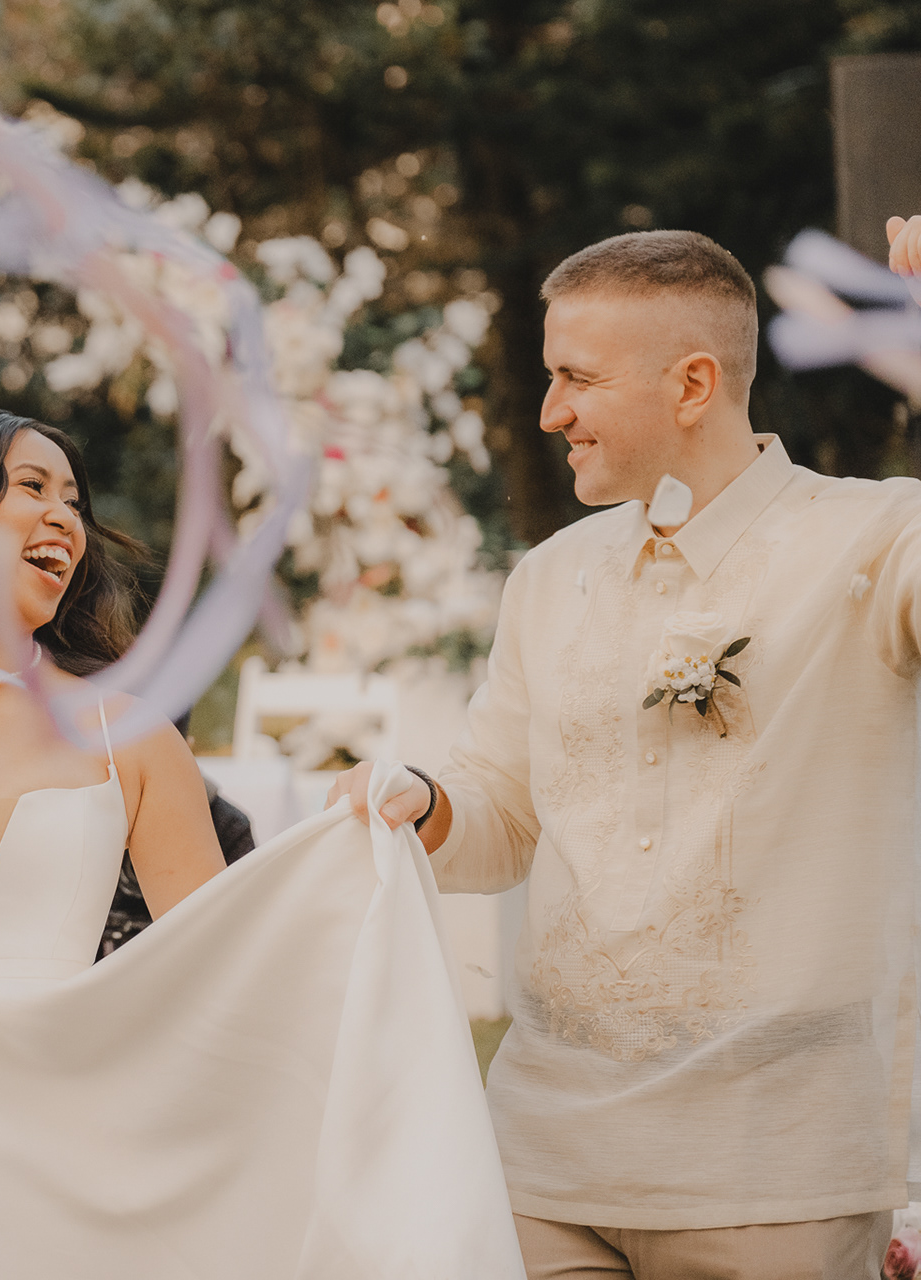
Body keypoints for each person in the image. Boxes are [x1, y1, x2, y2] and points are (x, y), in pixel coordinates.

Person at [0, 405, 524, 1279]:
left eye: (74, 501)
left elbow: (223, 959)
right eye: (31, 487)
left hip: (56, 1121)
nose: (64, 518)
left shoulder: (129, 733)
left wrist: (352, 852)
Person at [329, 228, 921, 1279]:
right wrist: (425, 803)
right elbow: (504, 811)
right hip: (540, 1166)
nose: (549, 411)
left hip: (774, 1171)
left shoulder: (876, 539)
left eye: (578, 378)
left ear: (692, 384)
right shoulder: (548, 577)